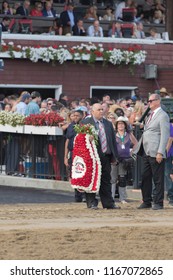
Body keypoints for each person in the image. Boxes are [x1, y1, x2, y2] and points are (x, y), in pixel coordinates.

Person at [81, 103, 120, 210]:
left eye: (102, 109)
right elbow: (80, 140)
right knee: (92, 180)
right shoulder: (86, 123)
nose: (101, 111)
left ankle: (108, 203)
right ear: (92, 112)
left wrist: (114, 156)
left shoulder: (107, 123)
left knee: (106, 180)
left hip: (106, 156)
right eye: (98, 109)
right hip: (92, 157)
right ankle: (92, 203)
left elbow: (112, 140)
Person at [135, 93, 169, 210]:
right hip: (146, 149)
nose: (148, 103)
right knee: (145, 176)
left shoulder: (163, 115)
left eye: (151, 101)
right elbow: (149, 130)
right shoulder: (150, 114)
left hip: (156, 151)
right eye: (148, 101)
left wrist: (160, 152)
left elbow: (165, 135)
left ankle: (158, 202)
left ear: (157, 101)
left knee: (158, 178)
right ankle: (147, 201)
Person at [112, 116, 137, 203]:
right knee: (113, 178)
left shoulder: (129, 135)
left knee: (122, 178)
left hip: (125, 159)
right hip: (115, 159)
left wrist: (131, 152)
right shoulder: (113, 134)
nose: (121, 126)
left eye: (122, 124)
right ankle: (111, 197)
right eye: (119, 124)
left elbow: (136, 143)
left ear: (125, 125)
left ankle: (122, 198)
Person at [64, 110, 86, 202]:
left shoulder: (85, 126)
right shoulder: (70, 126)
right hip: (73, 152)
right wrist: (65, 156)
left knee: (83, 173)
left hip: (82, 153)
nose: (75, 117)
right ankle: (77, 195)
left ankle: (84, 195)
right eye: (74, 115)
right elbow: (68, 141)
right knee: (74, 174)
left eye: (77, 115)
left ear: (81, 116)